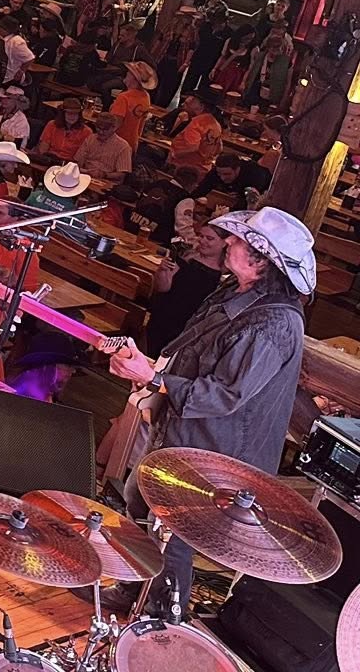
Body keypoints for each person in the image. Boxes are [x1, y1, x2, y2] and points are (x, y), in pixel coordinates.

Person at [107, 206, 312, 619]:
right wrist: (151, 371)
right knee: (142, 504)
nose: (230, 242)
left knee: (175, 531)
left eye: (240, 240)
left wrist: (155, 379)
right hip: (185, 431)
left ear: (260, 260)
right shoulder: (234, 292)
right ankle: (132, 591)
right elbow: (191, 352)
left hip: (218, 450)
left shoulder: (273, 323)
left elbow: (224, 395)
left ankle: (160, 621)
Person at [140, 216, 224, 355]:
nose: (202, 241)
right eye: (201, 236)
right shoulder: (187, 256)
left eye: (209, 238)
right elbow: (162, 287)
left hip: (185, 328)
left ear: (225, 243)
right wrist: (162, 271)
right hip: (162, 316)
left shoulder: (223, 276)